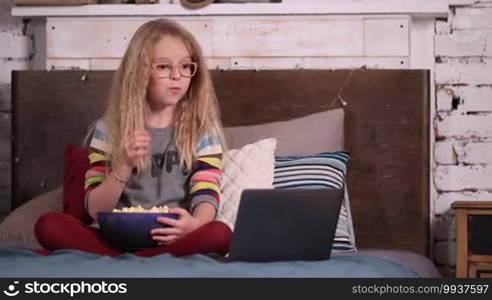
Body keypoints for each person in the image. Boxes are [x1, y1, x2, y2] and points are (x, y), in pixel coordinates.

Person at [34, 18, 232, 257]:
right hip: (115, 237)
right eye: (163, 67)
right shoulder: (108, 129)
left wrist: (196, 225)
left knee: (221, 233)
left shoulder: (202, 131)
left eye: (186, 66)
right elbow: (95, 210)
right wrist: (123, 165)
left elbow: (206, 191)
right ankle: (140, 259)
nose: (177, 76)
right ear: (139, 72)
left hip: (173, 237)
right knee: (49, 225)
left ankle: (132, 261)